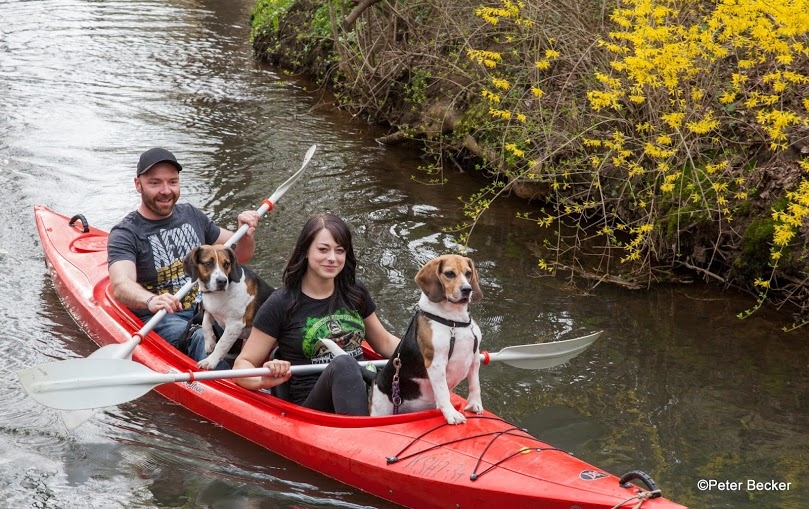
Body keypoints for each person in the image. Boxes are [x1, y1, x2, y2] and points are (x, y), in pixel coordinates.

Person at [233, 212, 400, 415]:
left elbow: (384, 343)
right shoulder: (281, 303)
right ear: (305, 251)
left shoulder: (355, 291)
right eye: (323, 250)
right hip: (313, 407)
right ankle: (365, 433)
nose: (332, 258)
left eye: (339, 251)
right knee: (343, 364)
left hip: (364, 388)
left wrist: (428, 355)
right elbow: (242, 366)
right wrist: (264, 378)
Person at [107, 147, 259, 369]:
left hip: (210, 307)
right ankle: (235, 391)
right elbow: (121, 285)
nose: (166, 190)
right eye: (155, 183)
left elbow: (242, 254)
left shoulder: (191, 214)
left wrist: (245, 231)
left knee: (268, 319)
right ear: (138, 184)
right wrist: (151, 300)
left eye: (172, 182)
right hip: (165, 318)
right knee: (199, 338)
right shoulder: (126, 233)